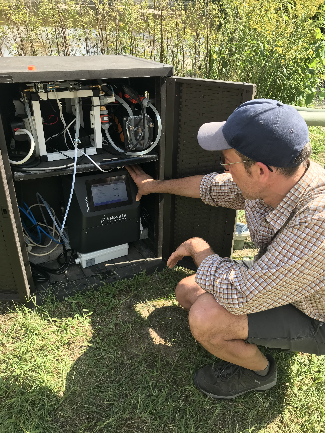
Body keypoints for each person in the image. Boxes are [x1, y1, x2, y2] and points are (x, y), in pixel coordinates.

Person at [126, 99, 325, 400]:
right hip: (278, 282)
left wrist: (200, 249)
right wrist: (153, 186)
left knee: (205, 317)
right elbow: (212, 187)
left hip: (314, 314)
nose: (225, 170)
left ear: (259, 170)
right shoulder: (279, 178)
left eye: (227, 162)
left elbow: (242, 295)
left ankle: (260, 372)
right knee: (186, 292)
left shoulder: (317, 220)